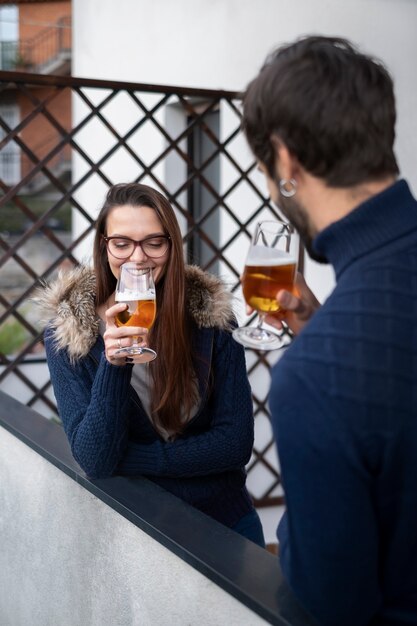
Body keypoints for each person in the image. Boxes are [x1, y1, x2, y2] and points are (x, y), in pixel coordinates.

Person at [242, 35, 417, 625]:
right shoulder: (334, 351)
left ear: (286, 161)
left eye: (268, 171)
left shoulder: (316, 377)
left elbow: (333, 603)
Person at [37, 182, 265, 548]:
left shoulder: (210, 320)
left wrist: (135, 458)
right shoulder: (69, 336)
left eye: (153, 242)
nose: (138, 258)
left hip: (226, 523)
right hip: (141, 539)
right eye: (122, 243)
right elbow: (96, 459)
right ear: (104, 246)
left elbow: (235, 444)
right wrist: (115, 364)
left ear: (171, 246)